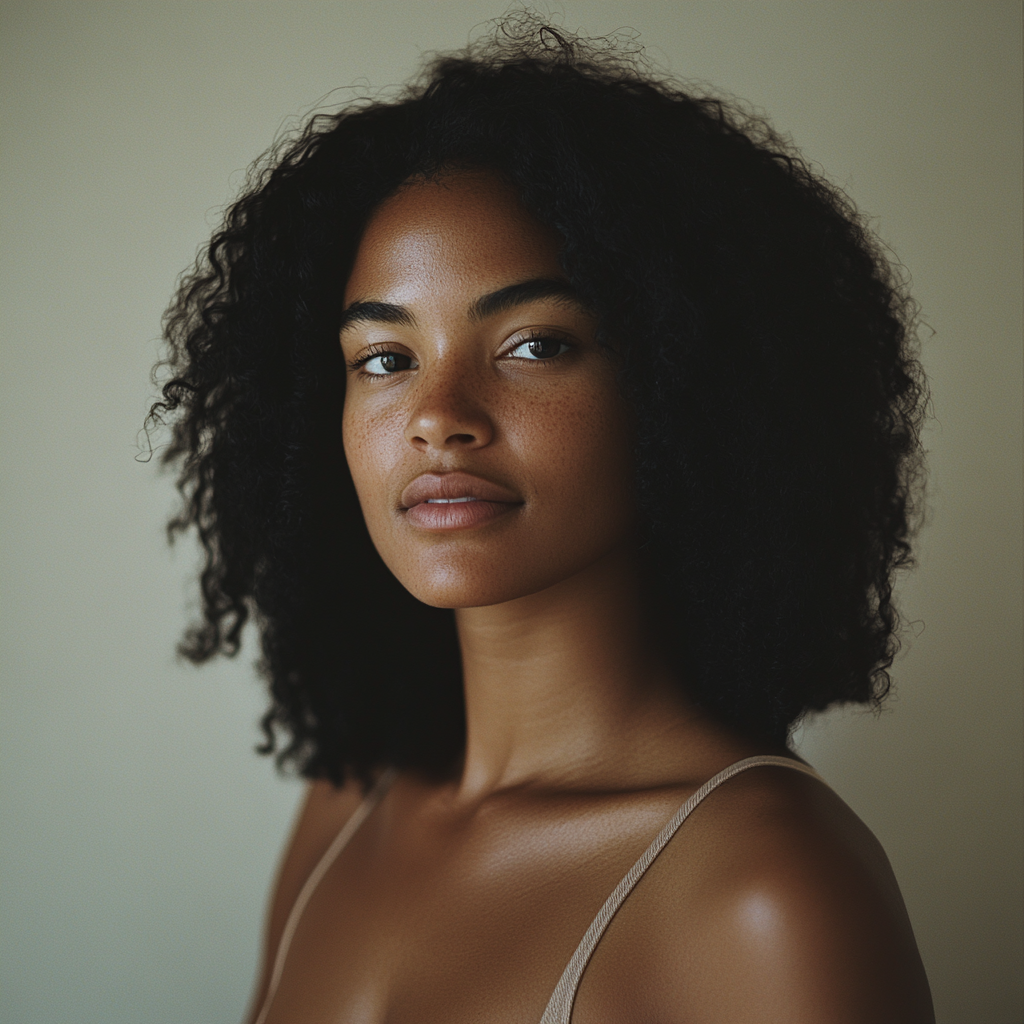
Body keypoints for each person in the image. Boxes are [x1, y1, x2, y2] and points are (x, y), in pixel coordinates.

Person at [150, 19, 934, 1023]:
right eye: (384, 359)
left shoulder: (766, 889)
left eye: (533, 345)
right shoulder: (347, 810)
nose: (437, 416)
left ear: (678, 382)